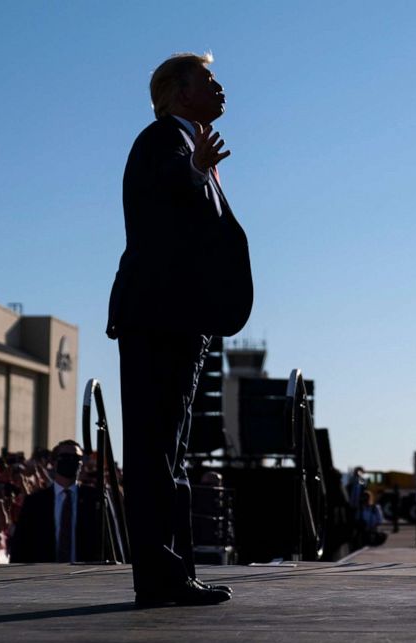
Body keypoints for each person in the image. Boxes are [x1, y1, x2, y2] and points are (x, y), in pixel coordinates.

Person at [106, 52, 253, 607]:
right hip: (156, 322)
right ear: (178, 91)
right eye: (208, 80)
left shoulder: (189, 147)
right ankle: (159, 577)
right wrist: (193, 169)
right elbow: (163, 189)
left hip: (180, 324)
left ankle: (173, 575)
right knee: (153, 453)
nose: (220, 88)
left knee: (171, 452)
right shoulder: (162, 141)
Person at [9, 441, 101, 563]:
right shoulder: (35, 502)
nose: (70, 460)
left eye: (76, 458)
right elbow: (21, 544)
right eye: (65, 457)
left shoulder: (94, 499)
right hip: (44, 575)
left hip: (86, 575)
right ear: (53, 462)